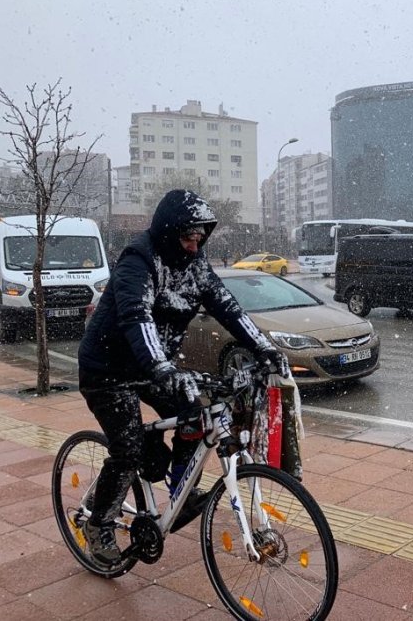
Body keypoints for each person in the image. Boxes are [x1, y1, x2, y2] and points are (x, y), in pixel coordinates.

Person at [77, 189, 289, 565]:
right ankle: (99, 522)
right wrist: (161, 367)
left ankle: (181, 489)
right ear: (168, 231)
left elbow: (227, 307)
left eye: (199, 239)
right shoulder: (139, 261)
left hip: (154, 367)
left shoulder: (195, 265)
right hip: (108, 371)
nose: (194, 246)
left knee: (195, 413)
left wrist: (264, 347)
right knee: (129, 450)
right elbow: (136, 317)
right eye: (188, 238)